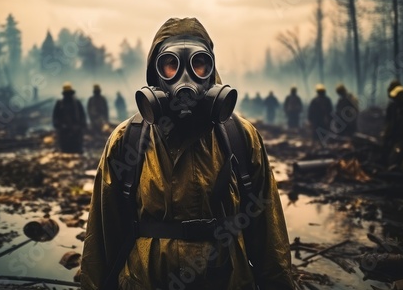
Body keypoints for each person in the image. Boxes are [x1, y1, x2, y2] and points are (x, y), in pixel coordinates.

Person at [81, 17, 294, 289]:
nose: (185, 79)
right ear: (155, 75)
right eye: (170, 64)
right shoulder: (128, 140)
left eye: (198, 64)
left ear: (212, 71)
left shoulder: (240, 138)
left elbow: (269, 241)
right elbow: (101, 241)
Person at [52, 82, 87, 153]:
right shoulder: (60, 103)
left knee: (76, 152)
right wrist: (60, 126)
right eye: (66, 94)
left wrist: (80, 126)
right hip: (64, 133)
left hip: (76, 133)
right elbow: (55, 117)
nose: (68, 96)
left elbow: (82, 116)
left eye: (69, 94)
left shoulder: (77, 103)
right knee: (65, 152)